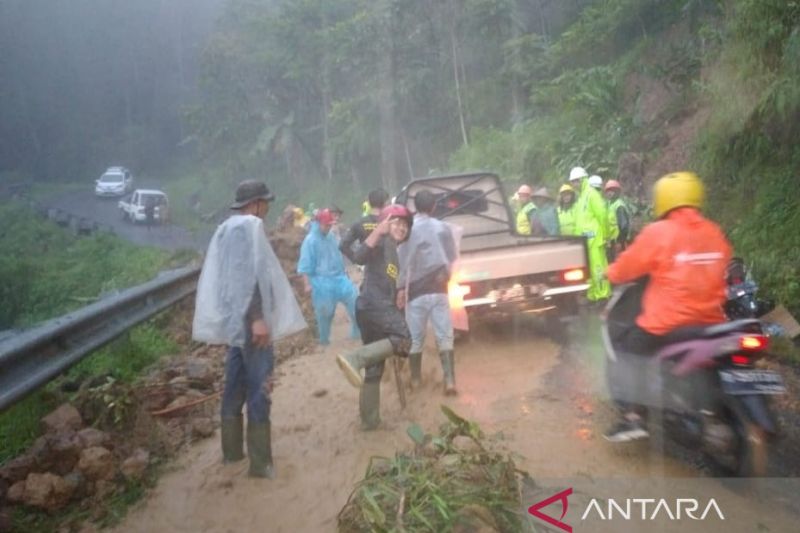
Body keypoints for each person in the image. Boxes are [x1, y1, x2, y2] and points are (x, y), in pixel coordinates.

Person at [603, 171, 732, 442]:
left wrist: (611, 273)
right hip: (712, 320)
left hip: (668, 322)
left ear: (663, 199)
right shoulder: (714, 231)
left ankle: (633, 417)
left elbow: (628, 266)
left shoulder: (658, 232)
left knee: (627, 347)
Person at [192, 180, 306, 478]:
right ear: (255, 203)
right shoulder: (249, 228)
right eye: (265, 202)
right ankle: (260, 463)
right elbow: (248, 276)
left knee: (235, 385)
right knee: (260, 387)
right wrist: (257, 318)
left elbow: (229, 279)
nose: (268, 208)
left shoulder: (226, 228)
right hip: (251, 323)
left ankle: (231, 454)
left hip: (234, 322)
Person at [335, 205, 413, 429]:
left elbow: (386, 280)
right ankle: (355, 358)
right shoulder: (381, 241)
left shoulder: (393, 251)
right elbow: (359, 256)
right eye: (396, 223)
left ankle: (369, 422)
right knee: (404, 338)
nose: (401, 228)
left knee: (375, 368)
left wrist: (398, 295)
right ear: (385, 223)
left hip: (373, 307)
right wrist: (377, 232)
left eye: (405, 225)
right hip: (374, 305)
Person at [397, 190, 459, 394]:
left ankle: (415, 381)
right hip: (439, 288)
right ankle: (450, 381)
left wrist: (399, 289)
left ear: (415, 207)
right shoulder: (443, 227)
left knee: (415, 338)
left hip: (416, 292)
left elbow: (401, 263)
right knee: (444, 336)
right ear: (433, 207)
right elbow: (451, 256)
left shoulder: (408, 229)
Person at [298, 208, 360, 345]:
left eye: (330, 225)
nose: (329, 227)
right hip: (321, 282)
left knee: (355, 301)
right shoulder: (310, 241)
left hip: (339, 278)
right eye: (326, 225)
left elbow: (339, 254)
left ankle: (357, 333)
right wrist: (307, 284)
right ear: (318, 223)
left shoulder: (331, 236)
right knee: (325, 313)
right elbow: (304, 265)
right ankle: (324, 340)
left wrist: (346, 272)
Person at [568, 166, 611, 303]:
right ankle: (593, 295)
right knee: (590, 272)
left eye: (576, 181)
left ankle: (603, 295)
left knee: (598, 269)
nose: (574, 184)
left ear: (582, 179)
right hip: (585, 241)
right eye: (572, 181)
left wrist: (606, 235)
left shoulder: (592, 194)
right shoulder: (581, 197)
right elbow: (579, 222)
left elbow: (602, 215)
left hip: (596, 239)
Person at [340, 189, 389, 264]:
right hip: (389, 268)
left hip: (369, 269)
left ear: (369, 203)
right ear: (385, 203)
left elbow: (343, 245)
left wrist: (356, 258)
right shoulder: (390, 223)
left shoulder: (359, 223)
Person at [604, 179, 632, 262]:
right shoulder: (609, 204)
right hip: (611, 241)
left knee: (620, 261)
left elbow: (624, 226)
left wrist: (620, 241)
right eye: (608, 191)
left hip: (619, 241)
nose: (610, 193)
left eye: (612, 190)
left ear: (617, 192)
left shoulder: (619, 206)